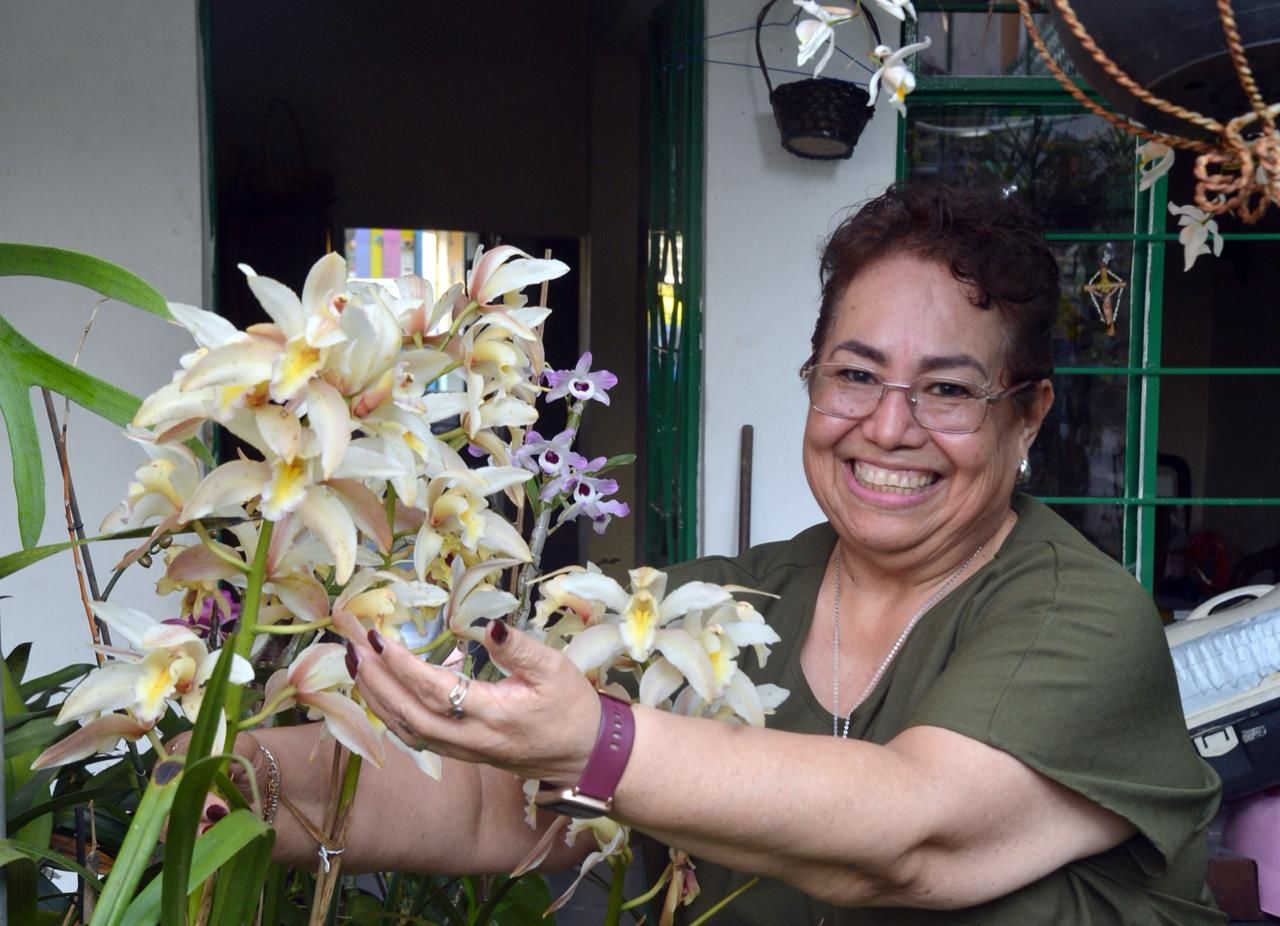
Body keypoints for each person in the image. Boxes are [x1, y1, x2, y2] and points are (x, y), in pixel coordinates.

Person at [207, 184, 1224, 924]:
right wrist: (228, 777)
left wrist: (596, 740)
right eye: (853, 373)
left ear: (1026, 414)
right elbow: (489, 801)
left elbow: (912, 834)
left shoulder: (1079, 618)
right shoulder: (712, 605)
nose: (887, 425)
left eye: (947, 390)